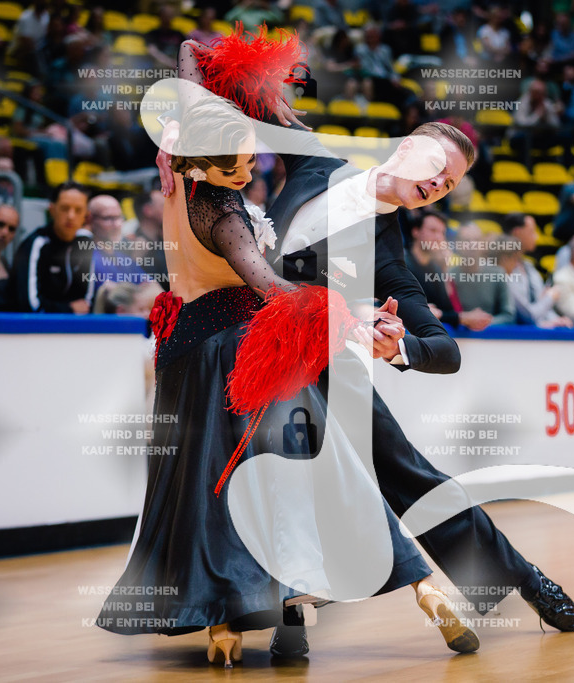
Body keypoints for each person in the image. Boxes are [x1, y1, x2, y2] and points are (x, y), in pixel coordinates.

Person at [158, 34, 574, 659]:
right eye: (435, 166)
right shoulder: (315, 161)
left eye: (450, 183)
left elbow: (446, 350)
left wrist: (399, 346)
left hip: (329, 372)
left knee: (414, 483)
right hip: (251, 360)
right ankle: (288, 623)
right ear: (406, 148)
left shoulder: (389, 252)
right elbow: (227, 97)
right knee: (270, 484)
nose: (440, 183)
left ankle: (525, 580)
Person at [103, 90, 480, 666]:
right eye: (245, 162)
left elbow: (188, 79)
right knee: (318, 478)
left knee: (216, 489)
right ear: (211, 160)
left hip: (200, 347)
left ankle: (229, 624)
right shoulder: (224, 211)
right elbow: (265, 285)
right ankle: (418, 588)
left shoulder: (176, 177)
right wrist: (348, 315)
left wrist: (209, 85)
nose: (257, 169)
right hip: (230, 351)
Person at [9, 181, 94, 313]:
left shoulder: (85, 243)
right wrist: (69, 309)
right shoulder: (36, 244)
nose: (71, 216)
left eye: (78, 210)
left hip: (73, 329)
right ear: (52, 210)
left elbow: (86, 303)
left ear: (86, 216)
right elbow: (29, 306)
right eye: (65, 208)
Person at [499, 212, 569, 327]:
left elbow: (541, 303)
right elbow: (527, 316)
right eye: (532, 231)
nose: (536, 236)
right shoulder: (502, 268)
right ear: (517, 232)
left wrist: (557, 320)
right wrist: (551, 297)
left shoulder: (529, 267)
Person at [451, 224, 515, 325]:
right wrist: (465, 320)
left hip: (490, 337)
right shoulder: (449, 275)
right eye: (466, 241)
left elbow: (509, 315)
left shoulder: (497, 273)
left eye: (476, 240)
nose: (472, 245)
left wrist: (481, 322)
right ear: (457, 245)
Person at [87, 194, 146, 285]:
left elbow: (151, 286)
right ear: (90, 220)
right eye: (108, 218)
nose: (117, 224)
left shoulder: (123, 258)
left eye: (119, 217)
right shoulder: (87, 259)